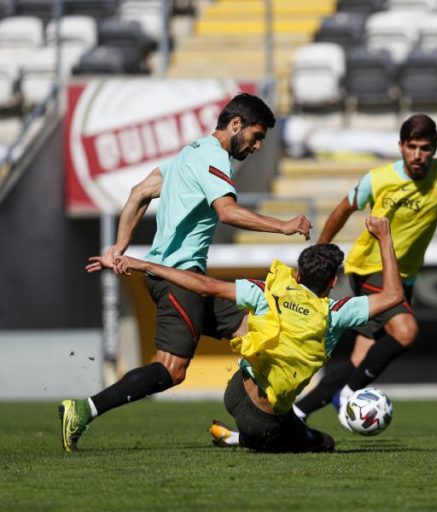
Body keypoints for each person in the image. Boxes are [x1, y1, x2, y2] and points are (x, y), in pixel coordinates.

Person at [59, 93, 312, 452]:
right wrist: (282, 226)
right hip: (178, 279)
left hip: (183, 279)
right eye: (256, 136)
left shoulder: (187, 155)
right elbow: (227, 211)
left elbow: (138, 193)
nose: (257, 146)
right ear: (236, 124)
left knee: (260, 333)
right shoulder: (212, 158)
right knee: (172, 371)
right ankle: (83, 409)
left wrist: (118, 249)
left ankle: (270, 424)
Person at [111, 216, 404, 452]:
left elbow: (204, 286)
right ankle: (242, 438)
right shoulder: (336, 312)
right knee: (324, 443)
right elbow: (393, 295)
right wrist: (384, 238)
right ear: (333, 281)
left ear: (298, 275)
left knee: (287, 418)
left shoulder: (268, 289)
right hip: (261, 420)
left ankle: (234, 435)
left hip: (234, 392)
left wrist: (146, 265)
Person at [292, 114, 437, 427]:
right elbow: (343, 209)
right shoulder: (378, 179)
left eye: (425, 148)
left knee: (357, 361)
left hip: (404, 278)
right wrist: (320, 251)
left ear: (434, 149)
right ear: (401, 146)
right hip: (369, 269)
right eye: (411, 147)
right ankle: (351, 393)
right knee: (406, 331)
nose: (418, 155)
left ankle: (298, 413)